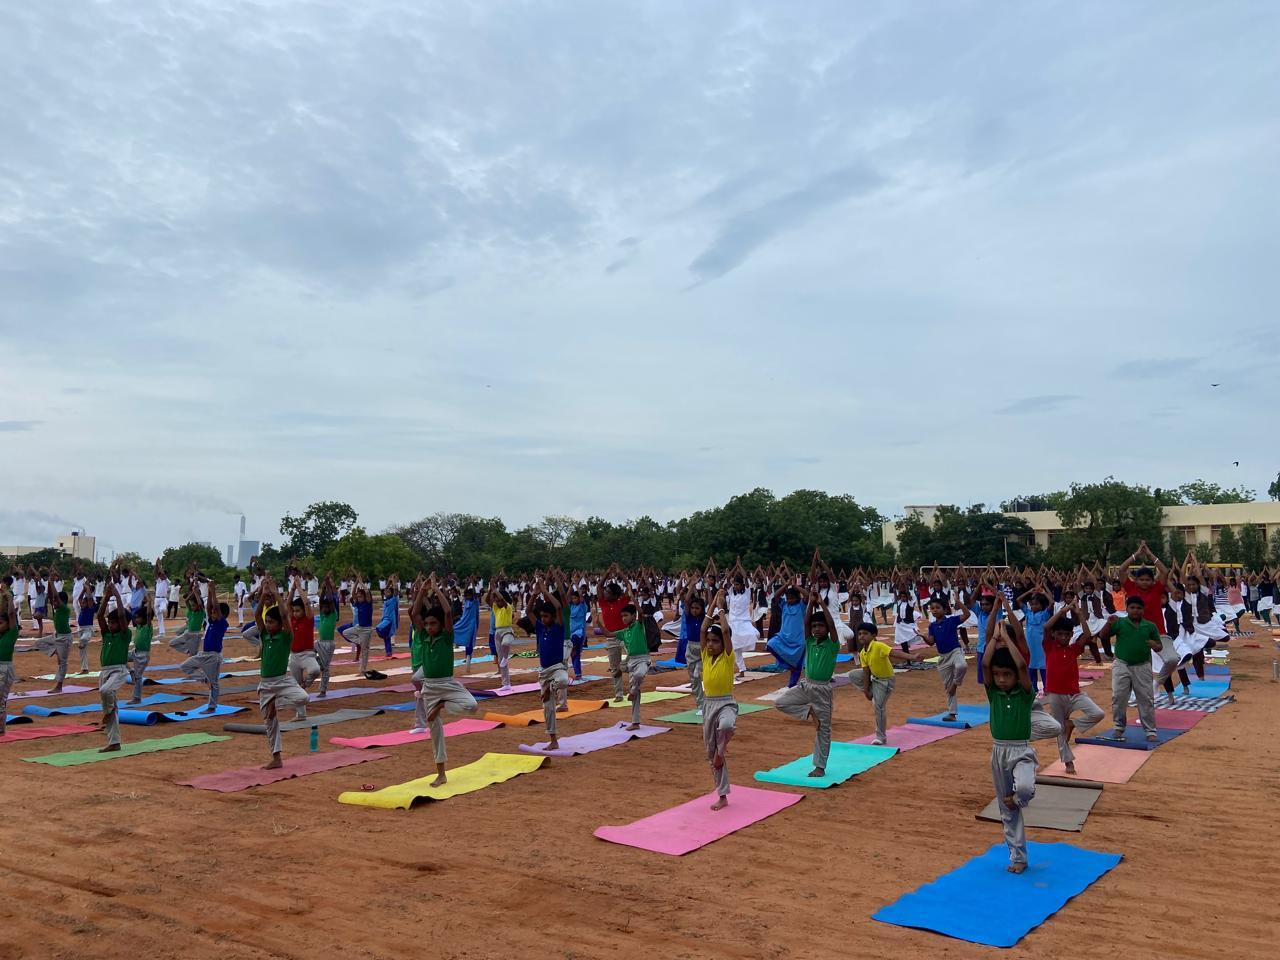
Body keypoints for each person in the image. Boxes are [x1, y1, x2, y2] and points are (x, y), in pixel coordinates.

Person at [411, 575, 479, 786]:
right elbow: (414, 614)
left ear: (441, 625)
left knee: (472, 706)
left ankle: (441, 705)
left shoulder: (447, 637)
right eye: (427, 624)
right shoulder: (423, 636)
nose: (429, 627)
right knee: (435, 732)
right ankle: (441, 774)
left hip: (448, 684)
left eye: (433, 623)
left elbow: (448, 612)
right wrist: (422, 591)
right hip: (430, 688)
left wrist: (436, 588)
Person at [982, 620, 1037, 873]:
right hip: (999, 751)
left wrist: (1006, 636)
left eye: (1007, 675)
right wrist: (994, 639)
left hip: (1021, 750)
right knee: (1006, 810)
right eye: (997, 675)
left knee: (1024, 789)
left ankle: (1017, 799)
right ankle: (1018, 857)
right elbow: (985, 664)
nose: (1001, 680)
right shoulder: (993, 693)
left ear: (1016, 676)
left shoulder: (1025, 694)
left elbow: (1023, 665)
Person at [774, 590, 841, 777]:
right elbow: (805, 622)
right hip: (806, 686)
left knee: (823, 729)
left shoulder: (832, 644)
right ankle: (808, 711)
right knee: (780, 703)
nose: (817, 629)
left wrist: (822, 603)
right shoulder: (810, 641)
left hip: (822, 690)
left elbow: (831, 625)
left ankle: (820, 766)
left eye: (820, 626)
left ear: (827, 629)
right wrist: (811, 603)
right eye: (814, 626)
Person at [249, 577, 309, 769]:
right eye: (267, 622)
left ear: (279, 624)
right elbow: (257, 615)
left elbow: (284, 615)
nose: (268, 625)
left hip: (283, 681)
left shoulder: (285, 636)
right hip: (266, 685)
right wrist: (263, 594)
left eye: (271, 622)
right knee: (270, 723)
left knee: (303, 698)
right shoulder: (265, 635)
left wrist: (275, 593)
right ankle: (276, 758)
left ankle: (277, 704)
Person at [1041, 601, 1104, 773]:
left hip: (1075, 694)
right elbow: (1046, 627)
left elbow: (1087, 635)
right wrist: (1062, 611)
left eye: (1067, 635)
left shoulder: (1073, 649)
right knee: (1060, 730)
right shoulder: (1049, 647)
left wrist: (1080, 614)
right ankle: (1068, 762)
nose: (1063, 637)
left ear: (1071, 636)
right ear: (1054, 634)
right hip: (1055, 695)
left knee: (1098, 713)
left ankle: (1073, 724)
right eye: (1060, 634)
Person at [847, 621, 924, 745]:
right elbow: (866, 672)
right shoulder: (862, 653)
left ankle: (881, 736)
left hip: (885, 681)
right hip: (874, 678)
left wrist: (912, 657)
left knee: (879, 707)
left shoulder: (878, 646)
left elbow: (895, 653)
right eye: (860, 634)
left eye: (865, 633)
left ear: (874, 635)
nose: (861, 636)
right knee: (853, 675)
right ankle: (874, 692)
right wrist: (866, 691)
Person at [1098, 597, 1162, 741]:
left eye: (1139, 608)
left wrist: (1154, 645)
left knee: (1146, 699)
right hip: (1122, 664)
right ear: (1126, 609)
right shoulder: (1119, 623)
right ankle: (1119, 727)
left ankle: (1150, 731)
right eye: (1132, 607)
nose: (1135, 611)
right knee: (1118, 697)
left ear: (1143, 610)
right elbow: (1103, 636)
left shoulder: (1150, 626)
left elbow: (1159, 646)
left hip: (1142, 666)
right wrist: (1108, 623)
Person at [700, 594, 738, 811]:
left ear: (724, 644)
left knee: (726, 725)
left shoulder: (727, 656)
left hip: (726, 703)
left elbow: (724, 631)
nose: (711, 644)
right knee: (710, 752)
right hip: (708, 705)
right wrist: (712, 603)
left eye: (715, 641)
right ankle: (722, 795)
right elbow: (703, 630)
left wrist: (721, 608)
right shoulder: (705, 656)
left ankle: (721, 752)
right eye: (709, 641)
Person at [528, 575, 568, 750]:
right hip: (544, 671)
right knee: (548, 708)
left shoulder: (559, 627)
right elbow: (529, 612)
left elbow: (558, 606)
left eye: (546, 616)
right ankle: (553, 740)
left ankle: (550, 688)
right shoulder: (540, 628)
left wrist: (544, 590)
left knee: (563, 681)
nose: (543, 619)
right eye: (542, 616)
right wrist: (534, 594)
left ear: (553, 617)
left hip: (557, 667)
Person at [94, 580, 133, 753]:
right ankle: (114, 742)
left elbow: (123, 617)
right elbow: (99, 616)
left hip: (119, 670)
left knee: (105, 691)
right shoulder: (107, 635)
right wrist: (106, 596)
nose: (110, 625)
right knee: (108, 703)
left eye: (113, 623)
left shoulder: (125, 635)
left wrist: (117, 595)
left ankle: (109, 712)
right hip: (105, 672)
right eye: (109, 623)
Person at [603, 600, 652, 731]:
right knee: (636, 693)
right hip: (631, 661)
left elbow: (640, 612)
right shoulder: (624, 632)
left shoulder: (639, 625)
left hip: (643, 659)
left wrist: (633, 598)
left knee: (639, 674)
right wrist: (598, 623)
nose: (623, 618)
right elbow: (608, 634)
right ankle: (635, 722)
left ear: (634, 616)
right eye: (622, 616)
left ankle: (632, 690)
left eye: (626, 615)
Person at [922, 593, 972, 721]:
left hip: (955, 651)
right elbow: (931, 642)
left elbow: (967, 614)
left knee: (962, 666)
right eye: (932, 608)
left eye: (938, 608)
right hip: (943, 657)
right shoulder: (932, 626)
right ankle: (952, 713)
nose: (935, 610)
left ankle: (956, 684)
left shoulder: (951, 620)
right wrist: (923, 637)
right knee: (947, 686)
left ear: (945, 610)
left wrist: (958, 602)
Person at [181, 582, 228, 711]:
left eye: (215, 612)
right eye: (212, 613)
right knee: (185, 666)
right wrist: (207, 593)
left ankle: (212, 706)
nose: (212, 614)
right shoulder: (211, 622)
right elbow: (208, 608)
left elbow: (216, 607)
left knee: (214, 684)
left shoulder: (222, 623)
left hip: (213, 656)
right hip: (203, 654)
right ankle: (204, 679)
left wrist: (213, 591)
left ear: (222, 615)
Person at [594, 569, 630, 702]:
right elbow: (599, 587)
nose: (605, 593)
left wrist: (620, 573)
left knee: (634, 658)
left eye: (608, 592)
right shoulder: (603, 603)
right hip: (611, 638)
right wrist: (607, 573)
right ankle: (619, 694)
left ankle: (632, 688)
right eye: (606, 591)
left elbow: (629, 586)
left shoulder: (622, 601)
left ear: (615, 595)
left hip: (624, 635)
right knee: (614, 668)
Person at [288, 577, 321, 719]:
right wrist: (292, 590)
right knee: (296, 687)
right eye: (294, 611)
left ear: (303, 611)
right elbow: (288, 604)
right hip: (294, 656)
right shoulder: (292, 619)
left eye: (298, 611)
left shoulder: (308, 619)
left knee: (315, 670)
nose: (295, 613)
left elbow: (306, 603)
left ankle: (306, 683)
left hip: (307, 654)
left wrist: (299, 588)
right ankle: (301, 714)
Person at [35, 568, 73, 691]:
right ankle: (56, 651)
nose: (54, 602)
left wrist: (51, 581)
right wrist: (49, 583)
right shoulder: (57, 609)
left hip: (64, 638)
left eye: (56, 601)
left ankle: (59, 686)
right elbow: (52, 596)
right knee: (39, 643)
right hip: (56, 636)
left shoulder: (64, 609)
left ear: (63, 602)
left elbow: (55, 595)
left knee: (62, 663)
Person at [124, 597, 154, 705]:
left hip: (143, 655)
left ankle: (137, 698)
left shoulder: (148, 627)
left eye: (138, 618)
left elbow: (148, 614)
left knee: (138, 677)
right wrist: (142, 603)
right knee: (120, 656)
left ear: (144, 618)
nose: (136, 619)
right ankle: (130, 671)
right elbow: (140, 613)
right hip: (135, 652)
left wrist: (149, 602)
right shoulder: (139, 626)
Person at [487, 580, 516, 687]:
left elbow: (502, 600)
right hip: (497, 632)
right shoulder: (496, 609)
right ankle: (506, 684)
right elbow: (487, 600)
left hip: (507, 631)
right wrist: (491, 591)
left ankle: (506, 657)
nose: (496, 602)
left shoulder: (508, 607)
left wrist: (495, 590)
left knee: (505, 644)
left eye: (498, 600)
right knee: (500, 660)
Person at [168, 579, 207, 656]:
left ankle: (192, 652)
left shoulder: (200, 612)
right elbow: (186, 600)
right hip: (188, 633)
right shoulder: (191, 611)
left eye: (194, 606)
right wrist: (193, 592)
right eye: (192, 605)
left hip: (195, 635)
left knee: (193, 655)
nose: (192, 607)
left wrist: (195, 593)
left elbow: (200, 604)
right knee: (172, 643)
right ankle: (187, 650)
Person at [0, 583, 17, 736]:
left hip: (5, 669)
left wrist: (10, 598)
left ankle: (1, 728)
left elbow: (11, 615)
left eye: (1, 623)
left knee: (1, 699)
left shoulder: (12, 633)